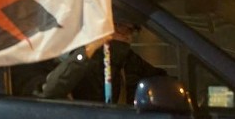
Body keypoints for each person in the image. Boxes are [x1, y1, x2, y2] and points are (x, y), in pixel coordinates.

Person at [35, 18, 165, 103]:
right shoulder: (83, 58)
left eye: (132, 31)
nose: (128, 37)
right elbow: (50, 90)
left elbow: (161, 80)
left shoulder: (128, 59)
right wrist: (87, 52)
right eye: (125, 29)